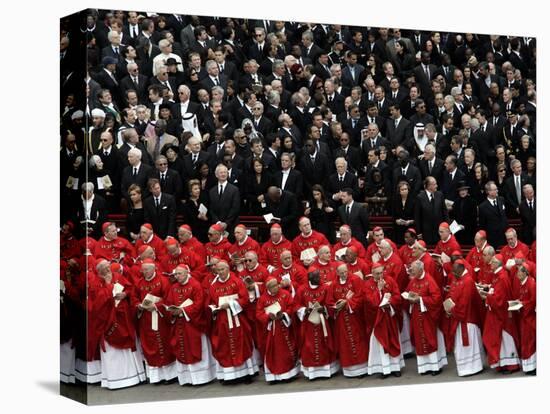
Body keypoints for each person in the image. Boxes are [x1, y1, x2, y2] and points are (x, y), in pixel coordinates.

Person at [94, 260, 146, 389]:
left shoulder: (117, 276)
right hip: (109, 320)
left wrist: (125, 294)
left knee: (129, 345)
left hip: (124, 317)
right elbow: (98, 303)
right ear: (99, 271)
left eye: (108, 267)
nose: (108, 270)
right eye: (105, 268)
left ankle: (135, 376)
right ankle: (117, 380)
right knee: (113, 353)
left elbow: (129, 288)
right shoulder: (96, 282)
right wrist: (107, 285)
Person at [207, 260, 259, 383]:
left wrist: (230, 304)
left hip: (237, 319)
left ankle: (246, 374)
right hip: (222, 320)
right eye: (218, 270)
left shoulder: (236, 281)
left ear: (228, 269)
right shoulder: (214, 286)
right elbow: (211, 302)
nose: (220, 272)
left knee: (242, 343)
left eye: (222, 269)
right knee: (224, 346)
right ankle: (230, 376)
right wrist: (213, 308)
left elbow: (245, 298)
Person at [164, 265, 217, 385]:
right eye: (176, 274)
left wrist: (183, 311)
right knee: (182, 347)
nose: (177, 276)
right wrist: (172, 310)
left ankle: (202, 378)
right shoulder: (174, 287)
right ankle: (187, 378)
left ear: (187, 273)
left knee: (196, 347)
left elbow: (199, 304)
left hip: (193, 323)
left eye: (180, 274)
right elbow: (168, 302)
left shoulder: (195, 285)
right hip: (179, 323)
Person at [132, 259, 177, 383]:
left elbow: (169, 299)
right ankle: (156, 377)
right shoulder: (139, 283)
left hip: (160, 317)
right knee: (150, 345)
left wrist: (157, 306)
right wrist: (138, 305)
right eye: (143, 270)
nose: (144, 272)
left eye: (146, 270)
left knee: (163, 343)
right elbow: (134, 297)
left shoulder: (163, 281)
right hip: (146, 319)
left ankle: (170, 375)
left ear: (153, 269)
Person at [404, 260, 448, 375]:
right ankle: (424, 367)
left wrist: (420, 299)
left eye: (413, 269)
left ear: (420, 269)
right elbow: (408, 292)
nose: (411, 271)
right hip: (416, 315)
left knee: (429, 339)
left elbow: (437, 298)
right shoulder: (413, 280)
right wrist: (409, 297)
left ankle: (435, 367)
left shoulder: (429, 280)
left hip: (427, 316)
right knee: (420, 341)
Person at [479, 254, 520, 374]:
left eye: (492, 262)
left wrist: (487, 297)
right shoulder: (497, 275)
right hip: (497, 313)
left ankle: (511, 364)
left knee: (505, 340)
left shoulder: (502, 277)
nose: (490, 264)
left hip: (502, 315)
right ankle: (502, 363)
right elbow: (496, 292)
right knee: (499, 340)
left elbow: (500, 300)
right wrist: (488, 289)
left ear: (498, 264)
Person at [326, 264, 369, 377]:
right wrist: (336, 306)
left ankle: (363, 369)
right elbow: (329, 301)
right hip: (341, 319)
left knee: (358, 340)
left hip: (355, 317)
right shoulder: (333, 285)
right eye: (342, 272)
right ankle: (350, 371)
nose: (344, 274)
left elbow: (361, 296)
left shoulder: (355, 280)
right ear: (337, 273)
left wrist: (348, 303)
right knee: (345, 343)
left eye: (346, 271)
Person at [295, 270, 339, 379]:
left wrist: (323, 308)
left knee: (324, 344)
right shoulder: (302, 289)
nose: (319, 279)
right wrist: (305, 310)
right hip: (308, 323)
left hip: (322, 321)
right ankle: (312, 373)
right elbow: (296, 305)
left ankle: (326, 371)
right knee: (309, 345)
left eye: (319, 277)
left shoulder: (325, 288)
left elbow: (330, 303)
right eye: (316, 278)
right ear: (310, 279)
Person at [444, 260, 485, 376]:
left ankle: (472, 368)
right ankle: (468, 367)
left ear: (461, 269)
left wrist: (452, 311)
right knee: (462, 346)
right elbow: (451, 294)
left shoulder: (467, 281)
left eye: (455, 271)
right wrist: (447, 307)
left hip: (467, 319)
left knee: (468, 345)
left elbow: (464, 303)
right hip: (458, 317)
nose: (453, 273)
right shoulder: (457, 279)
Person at [363, 262, 404, 377]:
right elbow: (370, 301)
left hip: (389, 317)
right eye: (377, 274)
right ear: (372, 273)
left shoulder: (390, 280)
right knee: (380, 344)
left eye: (381, 273)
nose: (380, 276)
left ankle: (396, 367)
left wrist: (390, 302)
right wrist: (379, 290)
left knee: (393, 341)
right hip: (377, 320)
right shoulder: (367, 285)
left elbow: (397, 296)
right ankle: (384, 369)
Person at [255, 278, 300, 382]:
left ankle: (288, 375)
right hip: (271, 331)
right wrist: (268, 317)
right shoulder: (262, 299)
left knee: (285, 352)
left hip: (284, 328)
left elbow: (291, 306)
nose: (277, 287)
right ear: (268, 288)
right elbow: (258, 314)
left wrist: (284, 314)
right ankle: (273, 377)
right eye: (274, 286)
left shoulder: (285, 294)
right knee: (273, 353)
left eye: (277, 285)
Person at [511, 263, 536, 375]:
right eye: (517, 273)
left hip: (530, 318)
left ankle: (533, 366)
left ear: (525, 272)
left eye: (519, 272)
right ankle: (528, 366)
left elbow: (533, 301)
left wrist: (522, 303)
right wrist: (517, 301)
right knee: (525, 341)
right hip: (523, 318)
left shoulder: (531, 284)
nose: (517, 275)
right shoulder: (522, 283)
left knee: (530, 341)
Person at [414, 176, 449, 245]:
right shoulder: (420, 197)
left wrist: (447, 228)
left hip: (439, 232)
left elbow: (445, 213)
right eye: (435, 184)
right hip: (426, 233)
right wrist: (418, 232)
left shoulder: (440, 195)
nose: (437, 186)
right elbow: (417, 217)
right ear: (429, 186)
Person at [208, 164, 241, 237]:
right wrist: (218, 222)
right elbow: (211, 209)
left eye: (225, 172)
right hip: (216, 226)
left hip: (231, 225)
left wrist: (226, 223)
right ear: (216, 175)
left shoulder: (234, 189)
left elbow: (235, 208)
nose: (223, 174)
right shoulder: (212, 191)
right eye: (221, 172)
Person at [478, 181, 508, 248]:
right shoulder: (482, 207)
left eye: (496, 189)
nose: (497, 191)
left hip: (504, 235)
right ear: (488, 192)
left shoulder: (501, 200)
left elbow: (505, 216)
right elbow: (482, 225)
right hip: (492, 238)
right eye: (494, 190)